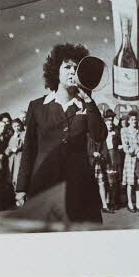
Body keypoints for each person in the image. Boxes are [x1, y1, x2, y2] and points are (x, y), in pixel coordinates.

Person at [14, 43, 106, 227]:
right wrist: (22, 188)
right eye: (67, 67)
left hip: (80, 188)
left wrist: (88, 99)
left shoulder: (86, 105)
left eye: (76, 68)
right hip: (44, 185)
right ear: (55, 71)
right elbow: (29, 149)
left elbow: (99, 135)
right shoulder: (37, 107)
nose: (72, 72)